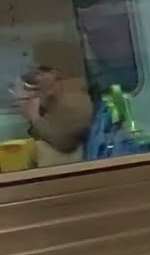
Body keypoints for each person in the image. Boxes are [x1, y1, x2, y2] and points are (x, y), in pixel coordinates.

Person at [17, 40, 93, 168]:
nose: (36, 79)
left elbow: (64, 142)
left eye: (40, 73)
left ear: (56, 73)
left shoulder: (77, 99)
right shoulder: (56, 97)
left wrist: (34, 117)